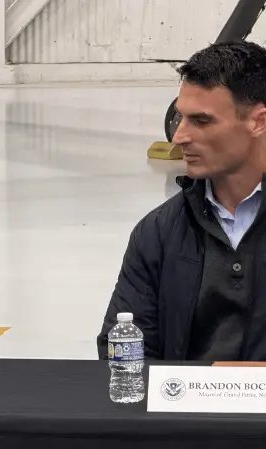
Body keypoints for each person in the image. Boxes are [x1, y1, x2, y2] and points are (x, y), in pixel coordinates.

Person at [98, 41, 266, 361]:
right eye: (181, 118)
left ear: (258, 121)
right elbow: (123, 356)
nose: (179, 137)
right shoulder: (157, 233)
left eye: (201, 121)